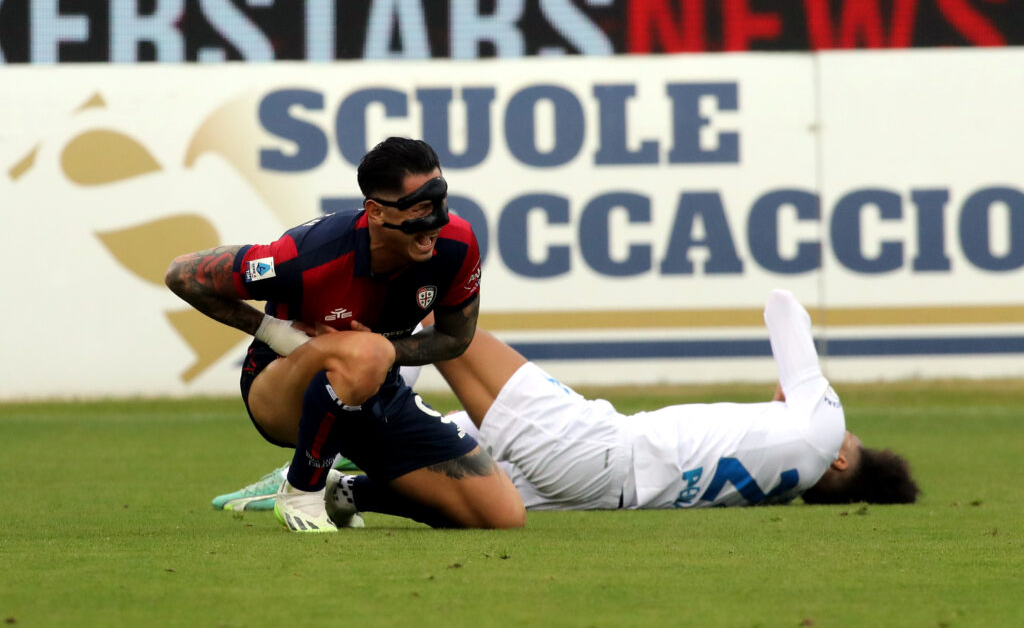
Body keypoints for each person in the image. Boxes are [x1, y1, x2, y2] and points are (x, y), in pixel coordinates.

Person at [217, 289, 917, 521]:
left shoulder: (823, 431)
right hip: (600, 491)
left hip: (603, 444)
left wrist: (801, 388)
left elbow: (784, 309)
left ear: (846, 454)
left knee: (446, 330)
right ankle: (333, 486)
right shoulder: (777, 487)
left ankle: (301, 339)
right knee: (437, 459)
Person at [166, 137, 524, 531]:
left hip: (375, 383)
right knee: (366, 354)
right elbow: (183, 274)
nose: (436, 221)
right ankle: (301, 492)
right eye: (420, 208)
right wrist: (276, 332)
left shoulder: (456, 244)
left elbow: (455, 339)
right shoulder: (307, 255)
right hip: (283, 388)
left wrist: (382, 349)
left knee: (501, 514)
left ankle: (343, 493)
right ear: (374, 211)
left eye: (439, 204)